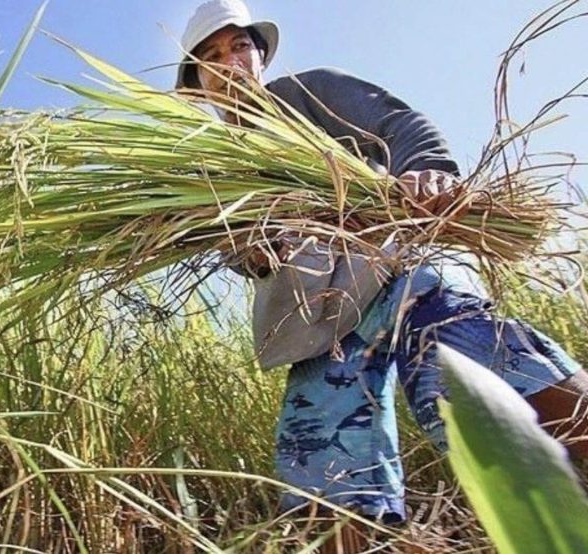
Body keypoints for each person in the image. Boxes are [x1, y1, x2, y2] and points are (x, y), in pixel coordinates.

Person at [175, 0, 588, 532]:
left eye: (239, 47)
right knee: (327, 481)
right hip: (318, 320)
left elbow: (396, 122)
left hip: (397, 268)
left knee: (497, 392)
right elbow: (233, 247)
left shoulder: (308, 93)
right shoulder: (211, 165)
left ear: (259, 56)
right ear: (197, 80)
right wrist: (252, 254)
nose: (229, 64)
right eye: (211, 56)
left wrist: (426, 171)